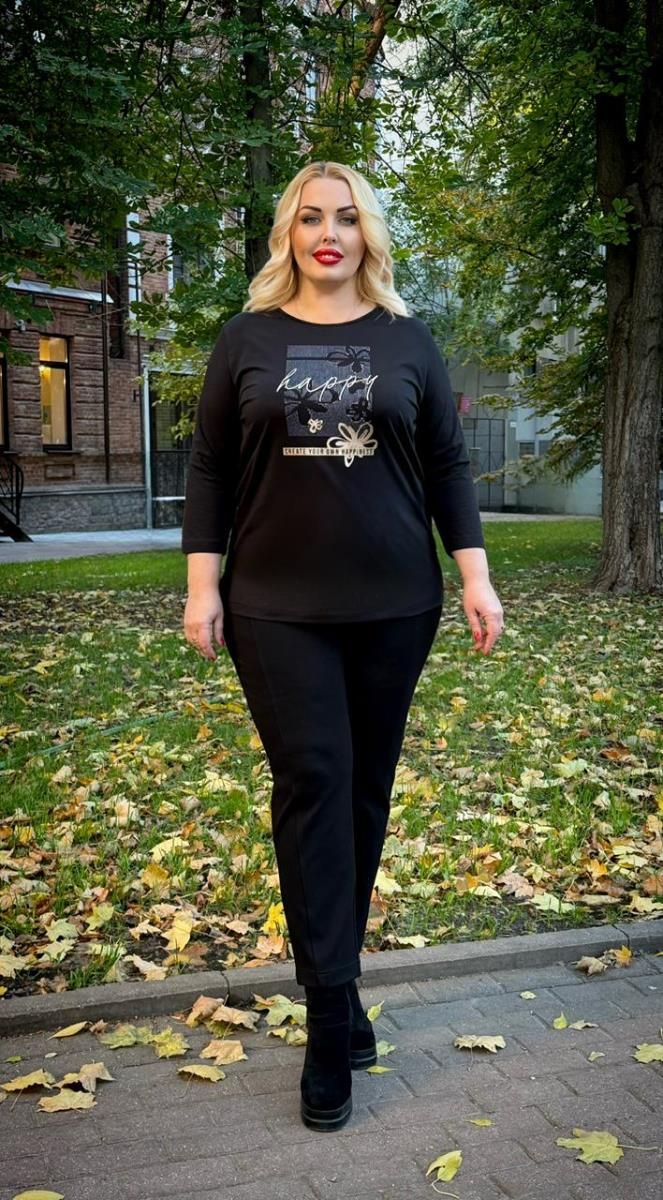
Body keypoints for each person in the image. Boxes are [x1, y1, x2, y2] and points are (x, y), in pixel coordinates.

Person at [181, 160, 504, 1132]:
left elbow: (446, 464)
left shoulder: (407, 339)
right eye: (312, 217)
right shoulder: (246, 339)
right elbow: (209, 466)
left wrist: (475, 575)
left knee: (363, 793)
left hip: (395, 605)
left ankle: (342, 978)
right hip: (275, 608)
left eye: (348, 218)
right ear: (289, 232)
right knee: (315, 781)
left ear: (369, 235)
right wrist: (202, 586)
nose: (330, 234)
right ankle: (328, 1017)